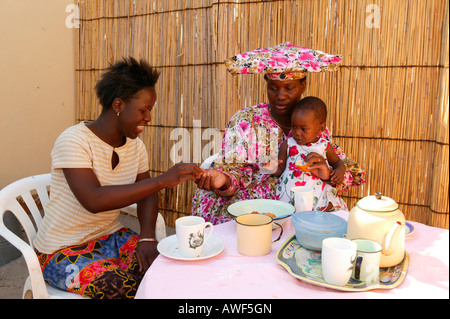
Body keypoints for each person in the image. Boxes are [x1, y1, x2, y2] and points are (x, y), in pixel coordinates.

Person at [33, 57, 202, 299]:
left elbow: (147, 196)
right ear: (119, 105)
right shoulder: (74, 140)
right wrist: (161, 180)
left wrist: (146, 237)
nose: (149, 118)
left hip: (110, 238)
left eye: (150, 110)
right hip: (61, 249)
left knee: (168, 269)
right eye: (144, 110)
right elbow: (94, 200)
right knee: (124, 288)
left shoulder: (135, 146)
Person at [192, 43, 364, 225]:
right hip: (256, 204)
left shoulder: (314, 124)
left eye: (289, 88)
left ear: (303, 86)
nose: (280, 95)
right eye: (273, 88)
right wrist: (224, 180)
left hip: (307, 202)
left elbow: (346, 169)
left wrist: (328, 173)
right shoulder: (246, 121)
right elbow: (232, 171)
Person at [272, 96, 348, 211]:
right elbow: (280, 169)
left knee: (319, 216)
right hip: (289, 195)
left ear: (320, 128)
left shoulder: (324, 146)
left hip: (316, 195)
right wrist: (272, 167)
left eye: (304, 129)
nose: (297, 133)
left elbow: (337, 162)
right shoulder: (287, 144)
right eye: (294, 127)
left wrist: (340, 171)